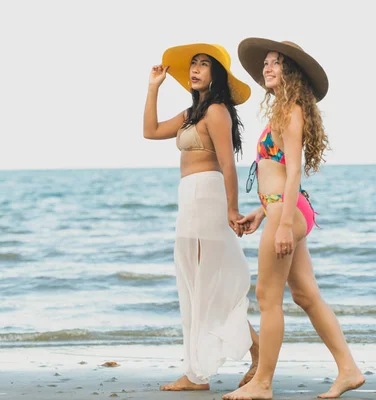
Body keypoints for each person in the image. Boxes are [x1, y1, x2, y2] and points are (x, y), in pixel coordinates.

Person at [222, 38, 365, 400]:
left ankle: (263, 383)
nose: (268, 67)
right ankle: (348, 369)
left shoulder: (292, 111)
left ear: (292, 72)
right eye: (266, 62)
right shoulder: (284, 110)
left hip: (289, 213)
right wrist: (263, 213)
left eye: (276, 62)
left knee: (268, 297)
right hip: (284, 208)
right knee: (305, 294)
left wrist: (282, 223)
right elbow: (278, 174)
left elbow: (295, 171)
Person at [143, 43, 259, 391]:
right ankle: (197, 372)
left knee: (210, 285)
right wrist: (153, 88)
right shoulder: (191, 114)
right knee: (193, 285)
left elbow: (227, 165)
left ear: (217, 74)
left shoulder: (217, 112)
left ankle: (253, 356)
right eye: (193, 64)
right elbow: (149, 131)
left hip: (208, 196)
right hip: (189, 199)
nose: (195, 69)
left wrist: (232, 208)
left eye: (203, 64)